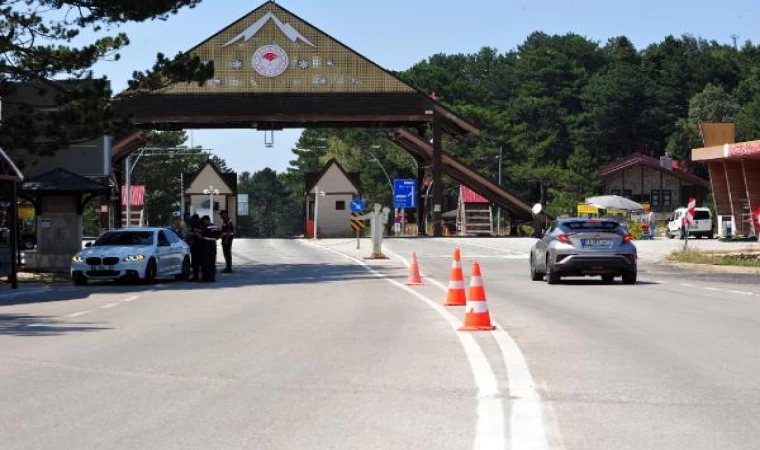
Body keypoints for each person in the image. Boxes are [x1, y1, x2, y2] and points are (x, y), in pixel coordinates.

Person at [200, 215, 219, 282]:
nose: (203, 222)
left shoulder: (205, 227)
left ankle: (206, 277)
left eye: (204, 221)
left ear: (206, 220)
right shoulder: (215, 226)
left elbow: (202, 236)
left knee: (205, 263)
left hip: (207, 247)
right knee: (212, 262)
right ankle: (212, 278)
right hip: (213, 246)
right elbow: (219, 235)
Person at [187, 214, 203, 281]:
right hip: (195, 245)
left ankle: (199, 276)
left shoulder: (199, 225)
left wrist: (194, 233)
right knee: (194, 262)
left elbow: (197, 234)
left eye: (193, 219)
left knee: (198, 262)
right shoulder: (194, 225)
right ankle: (196, 276)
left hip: (199, 245)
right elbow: (189, 232)